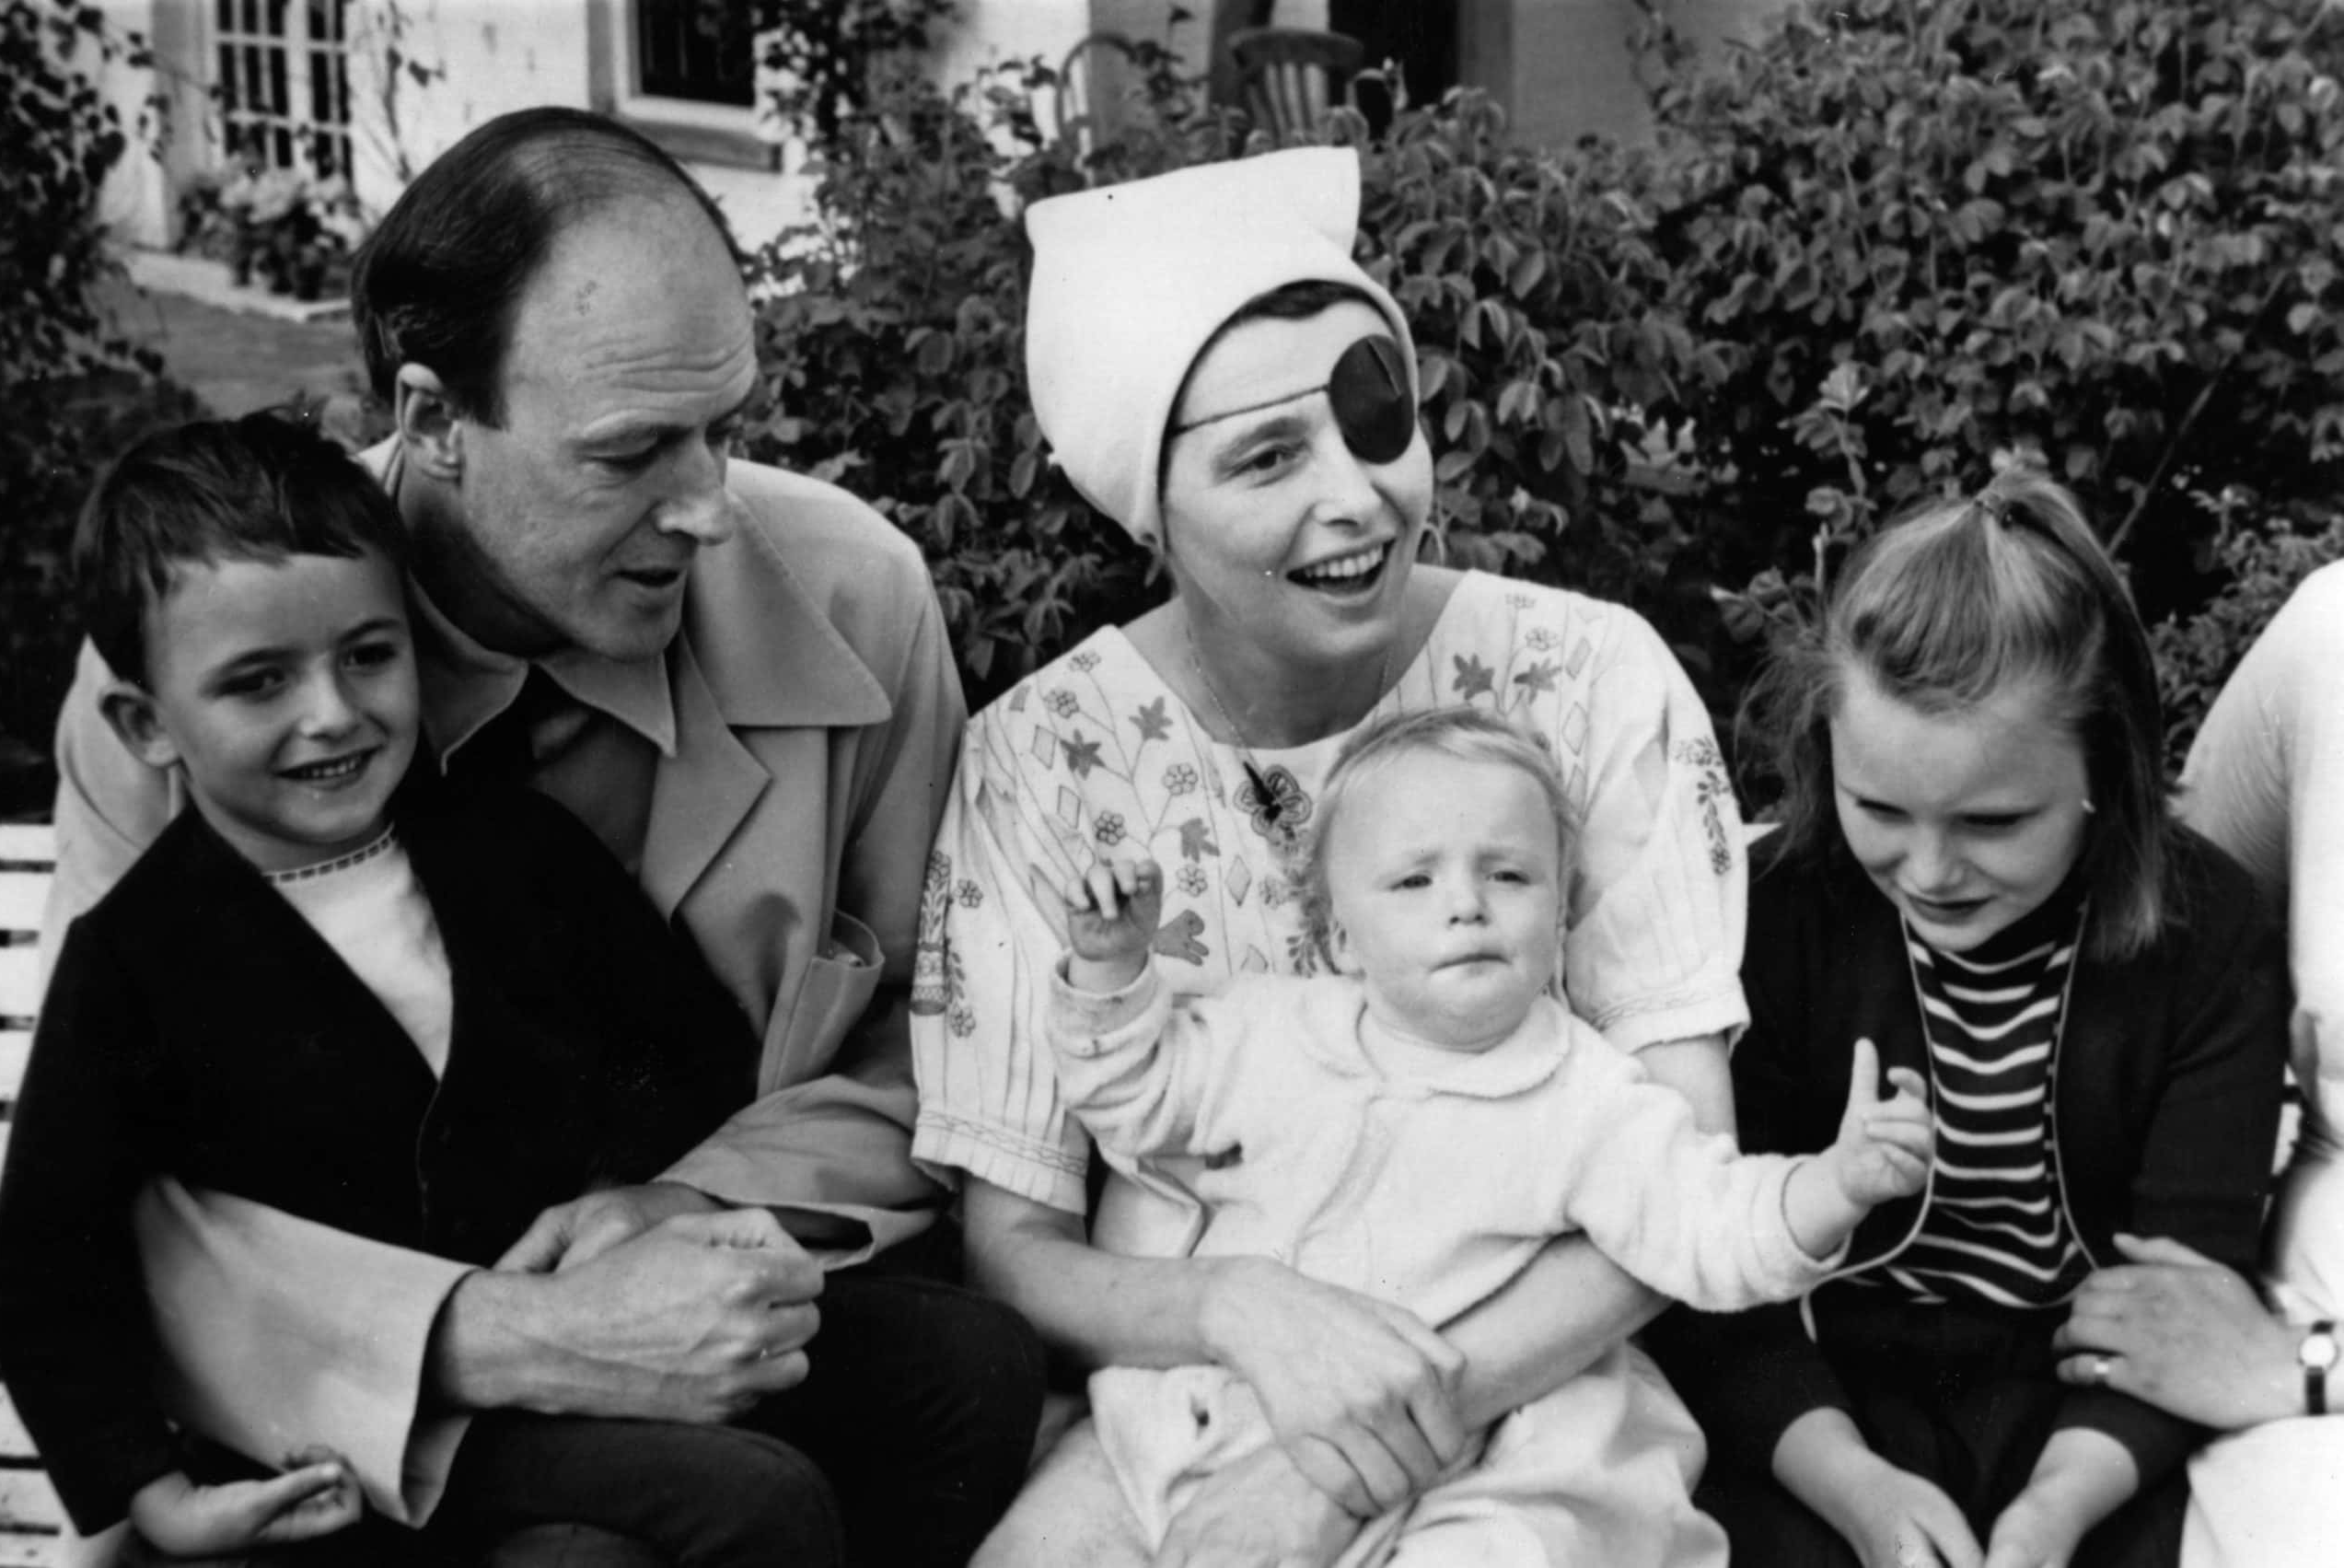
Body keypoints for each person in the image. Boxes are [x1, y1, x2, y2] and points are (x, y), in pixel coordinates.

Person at [38, 109, 1040, 1566]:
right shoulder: (203, 672)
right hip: (338, 1423)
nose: (705, 507)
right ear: (436, 419)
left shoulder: (854, 598)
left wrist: (690, 1206)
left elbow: (936, 1041)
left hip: (718, 1327)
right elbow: (121, 1192)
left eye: (729, 428)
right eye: (632, 450)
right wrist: (496, 1336)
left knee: (964, 1375)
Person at [910, 146, 1753, 1567]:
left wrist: (1354, 1455)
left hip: (1537, 1401)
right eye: (1266, 455)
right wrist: (1239, 1310)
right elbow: (1015, 1236)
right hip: (1173, 1410)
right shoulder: (1045, 758)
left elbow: (1687, 1158)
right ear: (1149, 510)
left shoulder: (1586, 676)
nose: (1359, 496)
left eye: (1378, 423)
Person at [0, 412, 854, 1565]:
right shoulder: (137, 955)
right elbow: (51, 1259)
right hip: (351, 1433)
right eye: (259, 682)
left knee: (963, 1369)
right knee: (748, 1502)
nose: (333, 713)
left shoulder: (506, 846)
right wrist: (149, 1493)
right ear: (148, 724)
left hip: (584, 1337)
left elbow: (679, 1050)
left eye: (367, 654)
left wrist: (645, 1199)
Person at [1047, 708, 1935, 1564]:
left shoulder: (1589, 1095)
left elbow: (1712, 1221)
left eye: (1509, 875)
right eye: (1414, 881)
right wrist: (1110, 967)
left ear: (1558, 916)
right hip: (1252, 1418)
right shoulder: (1265, 1035)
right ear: (1339, 937)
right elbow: (1133, 1099)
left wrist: (1836, 1184)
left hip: (1506, 1460)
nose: (1467, 904)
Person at [1650, 472, 2293, 1568]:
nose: (1932, 870)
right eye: (1879, 808)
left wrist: (2051, 1511)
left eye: (1994, 820)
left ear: (2108, 767)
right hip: (1815, 1405)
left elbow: (2175, 1298)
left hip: (2092, 1415)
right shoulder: (1771, 916)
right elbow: (1709, 1270)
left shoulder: (2206, 933)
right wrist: (1857, 1491)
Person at [2044, 560, 2344, 1567]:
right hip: (2258, 1375)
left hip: (2291, 1373)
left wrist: (2306, 1367)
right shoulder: (2330, 637)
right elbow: (2174, 922)